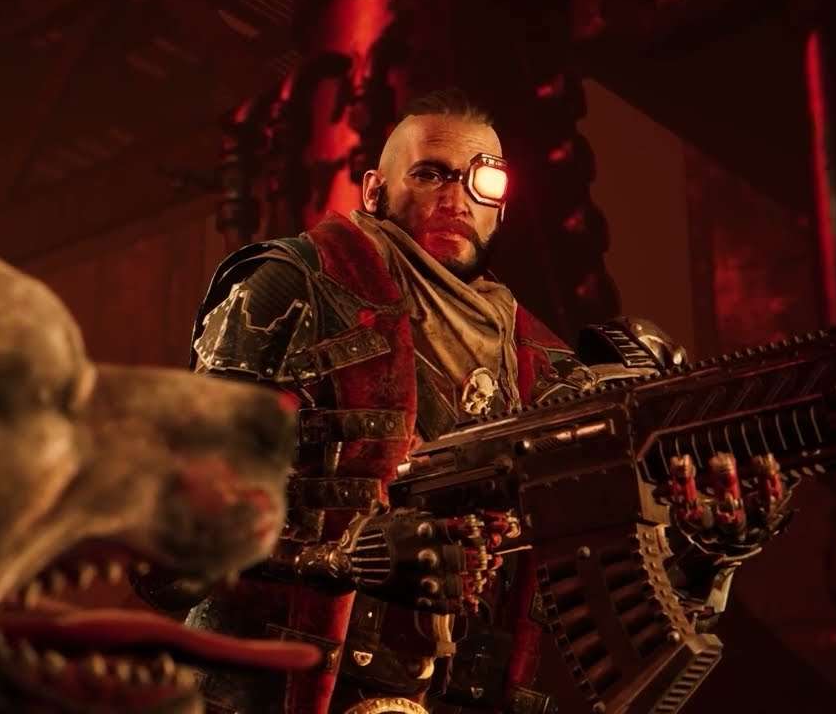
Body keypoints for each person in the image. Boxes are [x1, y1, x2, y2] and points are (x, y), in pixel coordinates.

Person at [179, 88, 700, 714]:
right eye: (430, 174)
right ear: (375, 192)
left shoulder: (540, 361)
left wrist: (712, 551)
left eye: (483, 178)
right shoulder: (294, 285)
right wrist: (342, 558)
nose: (457, 198)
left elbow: (597, 573)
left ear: (501, 205)